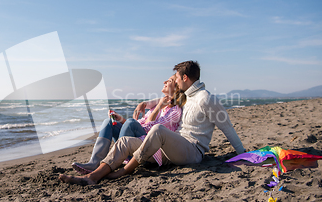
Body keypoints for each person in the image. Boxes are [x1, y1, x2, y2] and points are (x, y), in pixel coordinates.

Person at [59, 60, 245, 186]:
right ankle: (93, 176)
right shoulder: (186, 97)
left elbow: (227, 128)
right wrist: (146, 104)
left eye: (177, 78)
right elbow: (164, 98)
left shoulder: (205, 99)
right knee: (124, 142)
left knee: (158, 129)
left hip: (193, 151)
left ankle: (124, 170)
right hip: (173, 147)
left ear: (185, 78)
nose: (176, 82)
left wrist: (245, 156)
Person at [71, 75, 186, 174]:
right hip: (134, 144)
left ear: (176, 88)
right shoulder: (157, 106)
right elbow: (139, 125)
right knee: (109, 122)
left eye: (169, 81)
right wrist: (120, 119)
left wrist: (159, 107)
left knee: (131, 122)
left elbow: (149, 129)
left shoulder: (175, 111)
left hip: (147, 153)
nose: (164, 82)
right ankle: (94, 163)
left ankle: (113, 161)